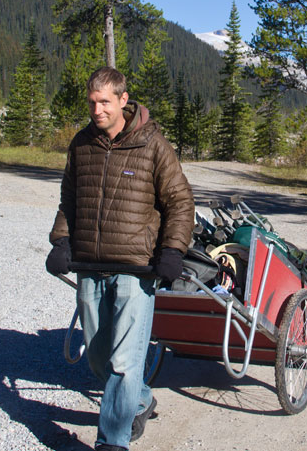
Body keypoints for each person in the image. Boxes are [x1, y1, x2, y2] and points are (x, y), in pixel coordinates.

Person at [46, 66, 194, 451]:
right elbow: (70, 199)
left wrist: (173, 250)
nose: (97, 110)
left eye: (105, 102)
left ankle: (112, 441)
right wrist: (61, 241)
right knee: (99, 359)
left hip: (135, 268)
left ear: (124, 100)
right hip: (90, 266)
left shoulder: (152, 144)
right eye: (92, 102)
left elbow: (180, 201)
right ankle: (140, 400)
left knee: (124, 363)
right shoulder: (82, 144)